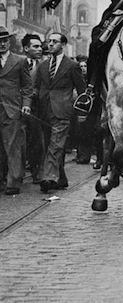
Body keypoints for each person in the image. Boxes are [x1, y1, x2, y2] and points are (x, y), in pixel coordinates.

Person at [32, 33, 86, 193]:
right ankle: (61, 178)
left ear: (62, 44)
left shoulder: (72, 65)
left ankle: (48, 177)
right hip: (44, 111)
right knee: (52, 144)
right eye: (49, 41)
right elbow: (37, 86)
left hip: (62, 111)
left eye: (54, 42)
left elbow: (82, 90)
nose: (50, 44)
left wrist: (81, 112)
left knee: (55, 145)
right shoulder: (42, 66)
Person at [0, 26, 33, 195]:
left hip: (12, 109)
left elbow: (27, 86)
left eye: (5, 40)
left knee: (12, 146)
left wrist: (26, 104)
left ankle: (13, 182)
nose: (2, 44)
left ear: (10, 42)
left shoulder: (19, 61)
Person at [21, 33, 44, 183]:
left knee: (37, 141)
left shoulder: (45, 65)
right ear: (26, 48)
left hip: (36, 109)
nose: (39, 49)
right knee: (19, 142)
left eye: (40, 46)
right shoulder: (17, 62)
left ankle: (37, 173)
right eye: (35, 46)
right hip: (18, 108)